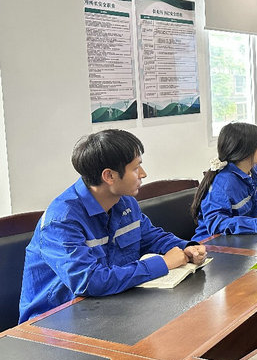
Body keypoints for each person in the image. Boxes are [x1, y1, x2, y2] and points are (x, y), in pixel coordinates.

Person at [19, 130, 206, 323]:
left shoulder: (124, 201)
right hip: (54, 322)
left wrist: (187, 247)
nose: (143, 174)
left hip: (108, 307)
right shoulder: (61, 221)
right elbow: (90, 281)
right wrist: (164, 263)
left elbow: (150, 237)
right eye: (136, 168)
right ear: (109, 176)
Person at [190, 122, 257, 241]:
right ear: (246, 150)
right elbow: (218, 224)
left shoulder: (254, 170)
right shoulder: (224, 183)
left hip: (245, 238)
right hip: (213, 244)